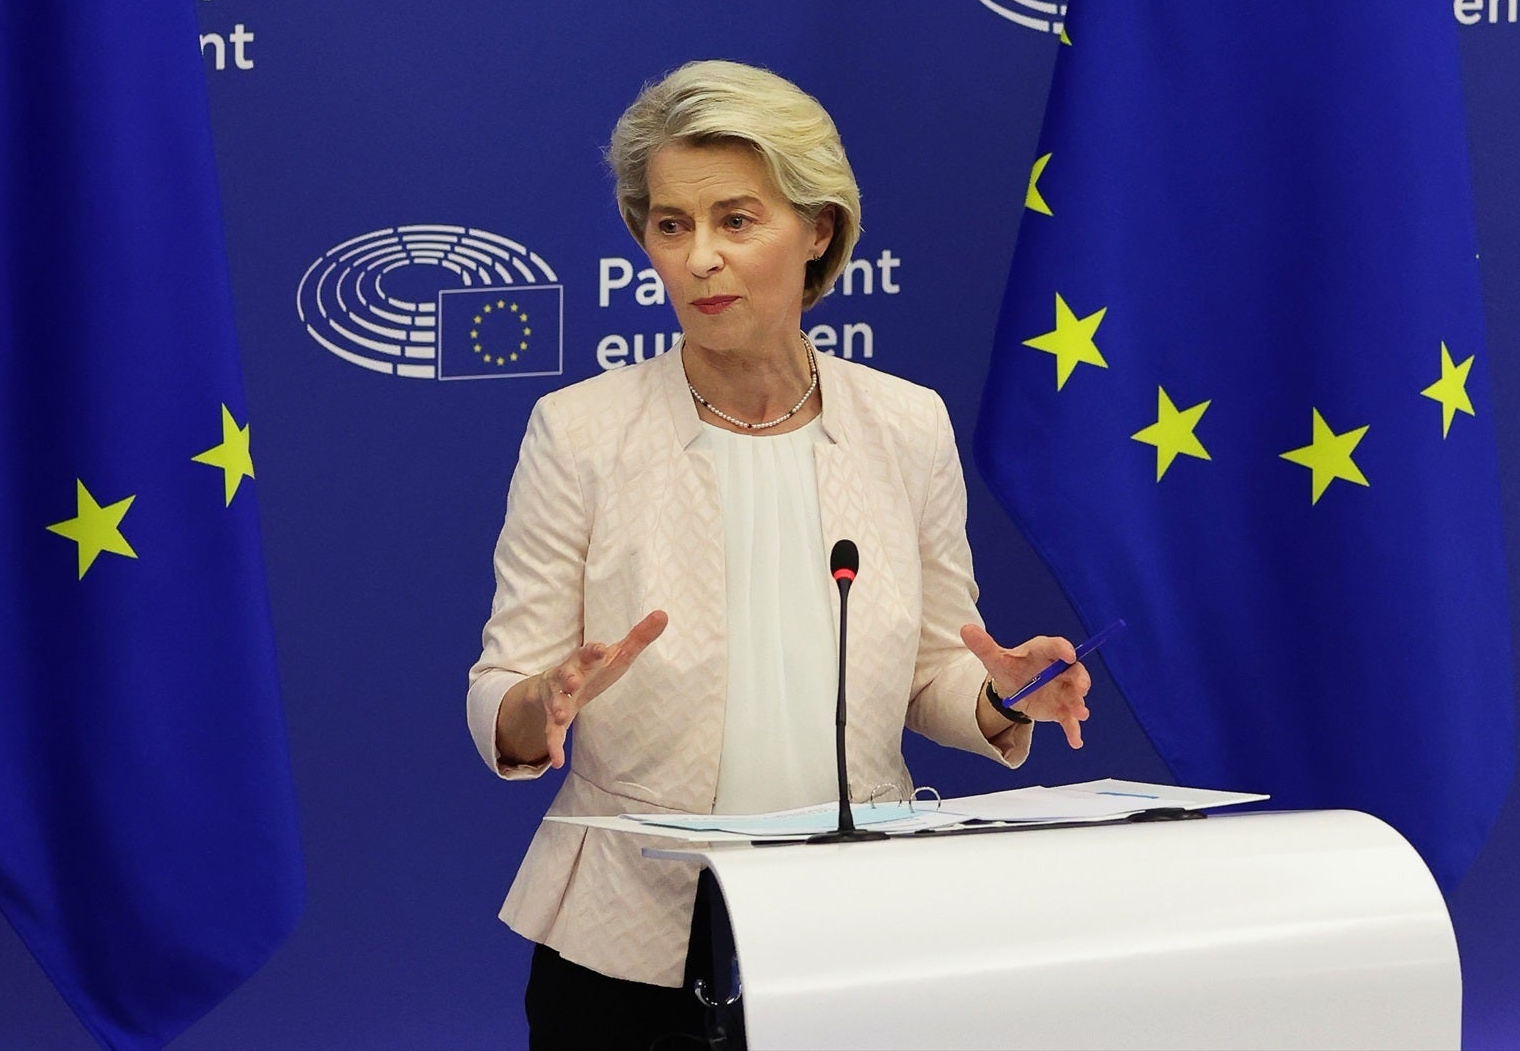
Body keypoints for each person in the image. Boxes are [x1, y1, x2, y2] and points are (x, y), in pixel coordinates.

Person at [466, 60, 1093, 1050]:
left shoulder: (906, 424)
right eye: (671, 226)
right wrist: (538, 702)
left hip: (857, 925)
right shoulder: (579, 431)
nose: (700, 258)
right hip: (634, 941)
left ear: (818, 231)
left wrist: (1001, 694)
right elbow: (502, 686)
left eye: (736, 220)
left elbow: (934, 670)